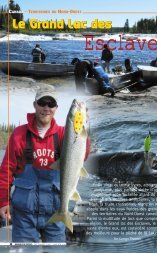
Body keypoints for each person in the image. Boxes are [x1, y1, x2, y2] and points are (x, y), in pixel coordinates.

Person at [0, 85, 90, 242]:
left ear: (56, 108)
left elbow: (82, 154)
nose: (46, 108)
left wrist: (83, 127)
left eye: (51, 104)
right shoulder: (19, 134)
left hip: (54, 211)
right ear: (35, 104)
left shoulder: (64, 134)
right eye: (42, 102)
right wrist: (3, 201)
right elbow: (5, 171)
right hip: (24, 216)